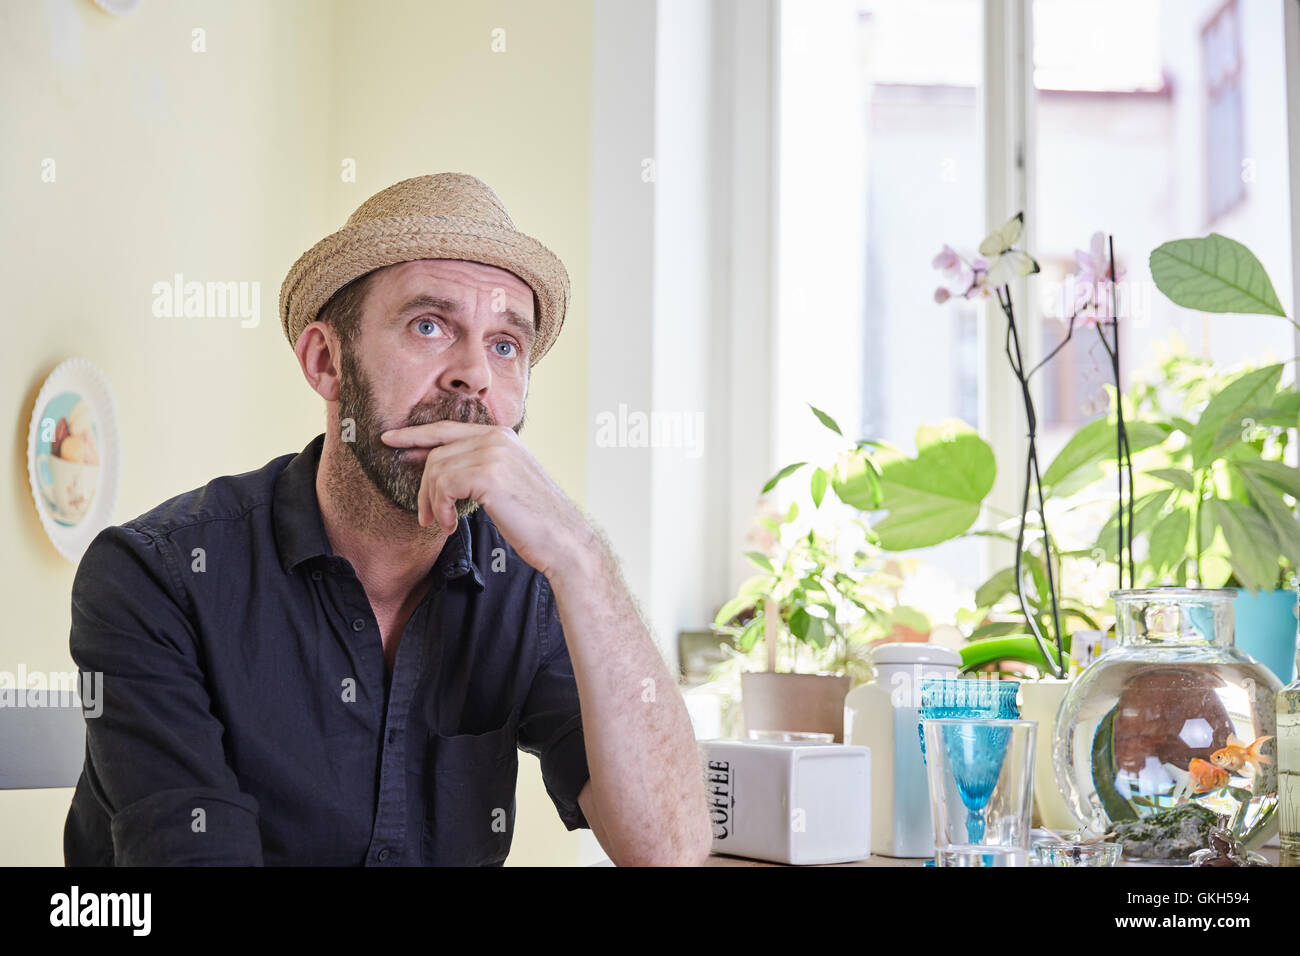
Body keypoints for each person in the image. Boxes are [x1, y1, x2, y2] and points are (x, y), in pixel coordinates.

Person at [63, 172, 711, 866]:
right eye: (429, 325)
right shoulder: (155, 579)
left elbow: (670, 849)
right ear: (326, 361)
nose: (475, 376)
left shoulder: (529, 582)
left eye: (505, 345)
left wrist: (582, 556)